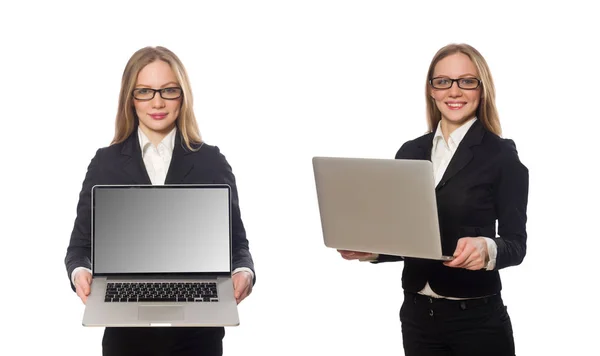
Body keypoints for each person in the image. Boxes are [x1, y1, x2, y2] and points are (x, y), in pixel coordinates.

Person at [338, 43, 528, 356]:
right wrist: (374, 250)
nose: (454, 91)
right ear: (431, 90)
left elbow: (516, 244)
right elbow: (411, 239)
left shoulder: (501, 155)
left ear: (481, 89)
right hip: (417, 318)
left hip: (477, 321)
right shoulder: (409, 152)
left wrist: (488, 248)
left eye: (466, 81)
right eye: (443, 81)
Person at [64, 46, 255, 356]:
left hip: (198, 337)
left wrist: (243, 273)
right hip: (126, 338)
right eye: (144, 91)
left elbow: (238, 247)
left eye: (168, 90)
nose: (157, 102)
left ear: (183, 96)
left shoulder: (211, 161)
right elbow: (79, 248)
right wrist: (80, 273)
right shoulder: (105, 163)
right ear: (130, 97)